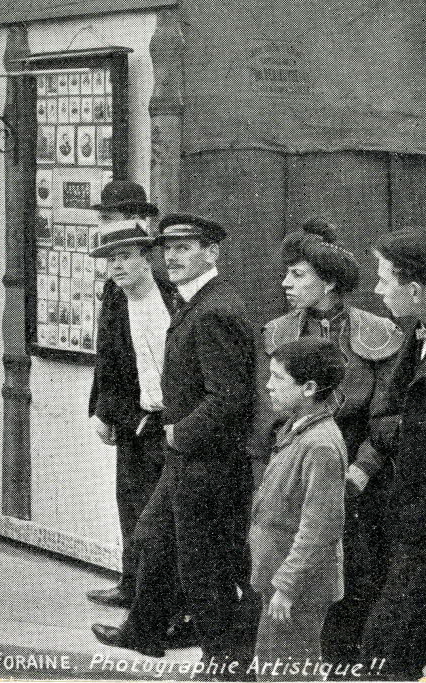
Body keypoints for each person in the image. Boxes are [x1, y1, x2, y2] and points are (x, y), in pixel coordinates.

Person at [93, 213, 256, 670]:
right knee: (153, 537)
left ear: (211, 252)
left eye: (185, 248)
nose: (174, 257)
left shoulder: (214, 310)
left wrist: (178, 432)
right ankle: (145, 632)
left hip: (204, 459)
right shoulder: (196, 302)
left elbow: (230, 395)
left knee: (204, 567)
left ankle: (225, 662)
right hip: (186, 455)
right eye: (168, 249)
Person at [254, 219, 403, 665]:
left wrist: (361, 470)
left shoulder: (377, 331)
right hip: (295, 467)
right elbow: (269, 418)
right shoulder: (279, 331)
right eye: (287, 273)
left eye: (298, 275)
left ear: (330, 282)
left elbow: (389, 415)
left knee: (354, 577)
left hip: (361, 473)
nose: (286, 283)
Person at [86, 218, 177, 610]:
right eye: (110, 261)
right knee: (130, 506)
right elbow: (106, 358)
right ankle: (131, 584)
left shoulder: (173, 298)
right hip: (133, 421)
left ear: (146, 259)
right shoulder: (115, 298)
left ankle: (163, 599)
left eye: (124, 258)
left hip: (171, 424)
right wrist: (101, 411)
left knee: (165, 515)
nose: (116, 267)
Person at [357, 227, 426, 681]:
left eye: (385, 280)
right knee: (389, 641)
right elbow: (384, 413)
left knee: (389, 642)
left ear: (415, 289)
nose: (378, 290)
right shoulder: (417, 334)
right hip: (409, 511)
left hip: (425, 514)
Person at [249, 337, 348, 681]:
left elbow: (320, 528)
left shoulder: (320, 444)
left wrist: (287, 586)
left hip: (297, 588)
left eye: (278, 378)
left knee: (285, 674)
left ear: (309, 387)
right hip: (280, 579)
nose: (268, 385)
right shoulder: (298, 431)